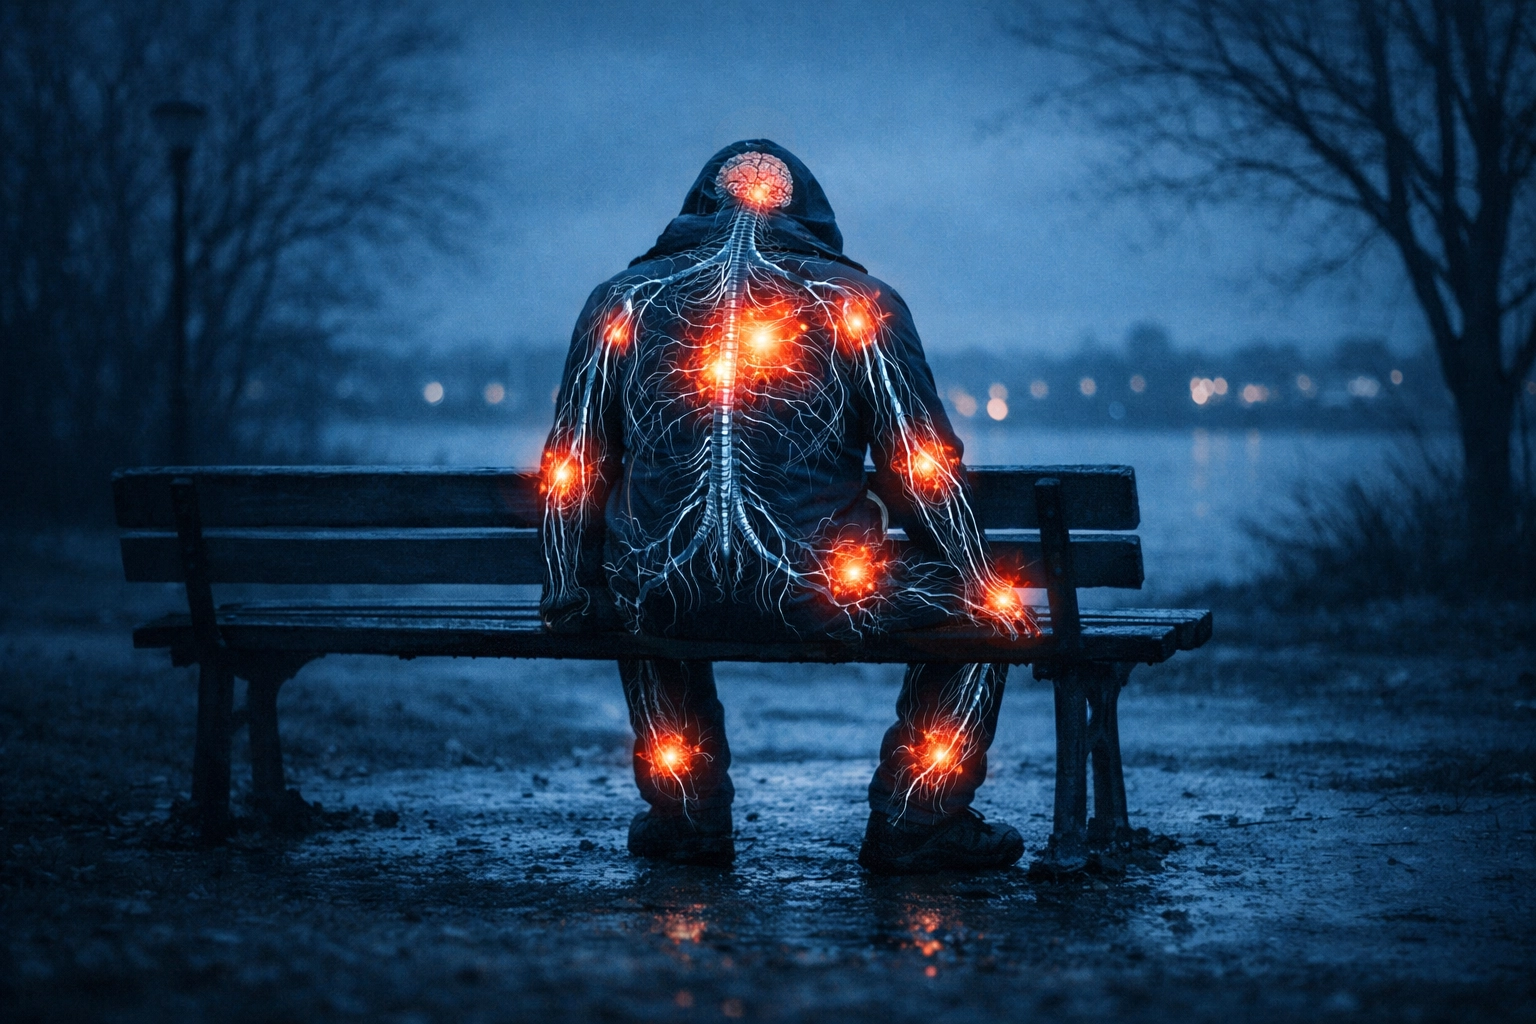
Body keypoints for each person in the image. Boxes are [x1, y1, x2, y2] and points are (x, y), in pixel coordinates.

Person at [539, 140, 1037, 874]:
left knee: (641, 582)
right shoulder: (857, 305)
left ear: (696, 207)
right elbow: (920, 466)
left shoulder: (623, 301)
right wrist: (975, 580)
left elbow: (575, 464)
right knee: (989, 615)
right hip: (825, 593)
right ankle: (918, 817)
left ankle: (687, 817)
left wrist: (569, 591)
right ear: (814, 213)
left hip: (661, 591)